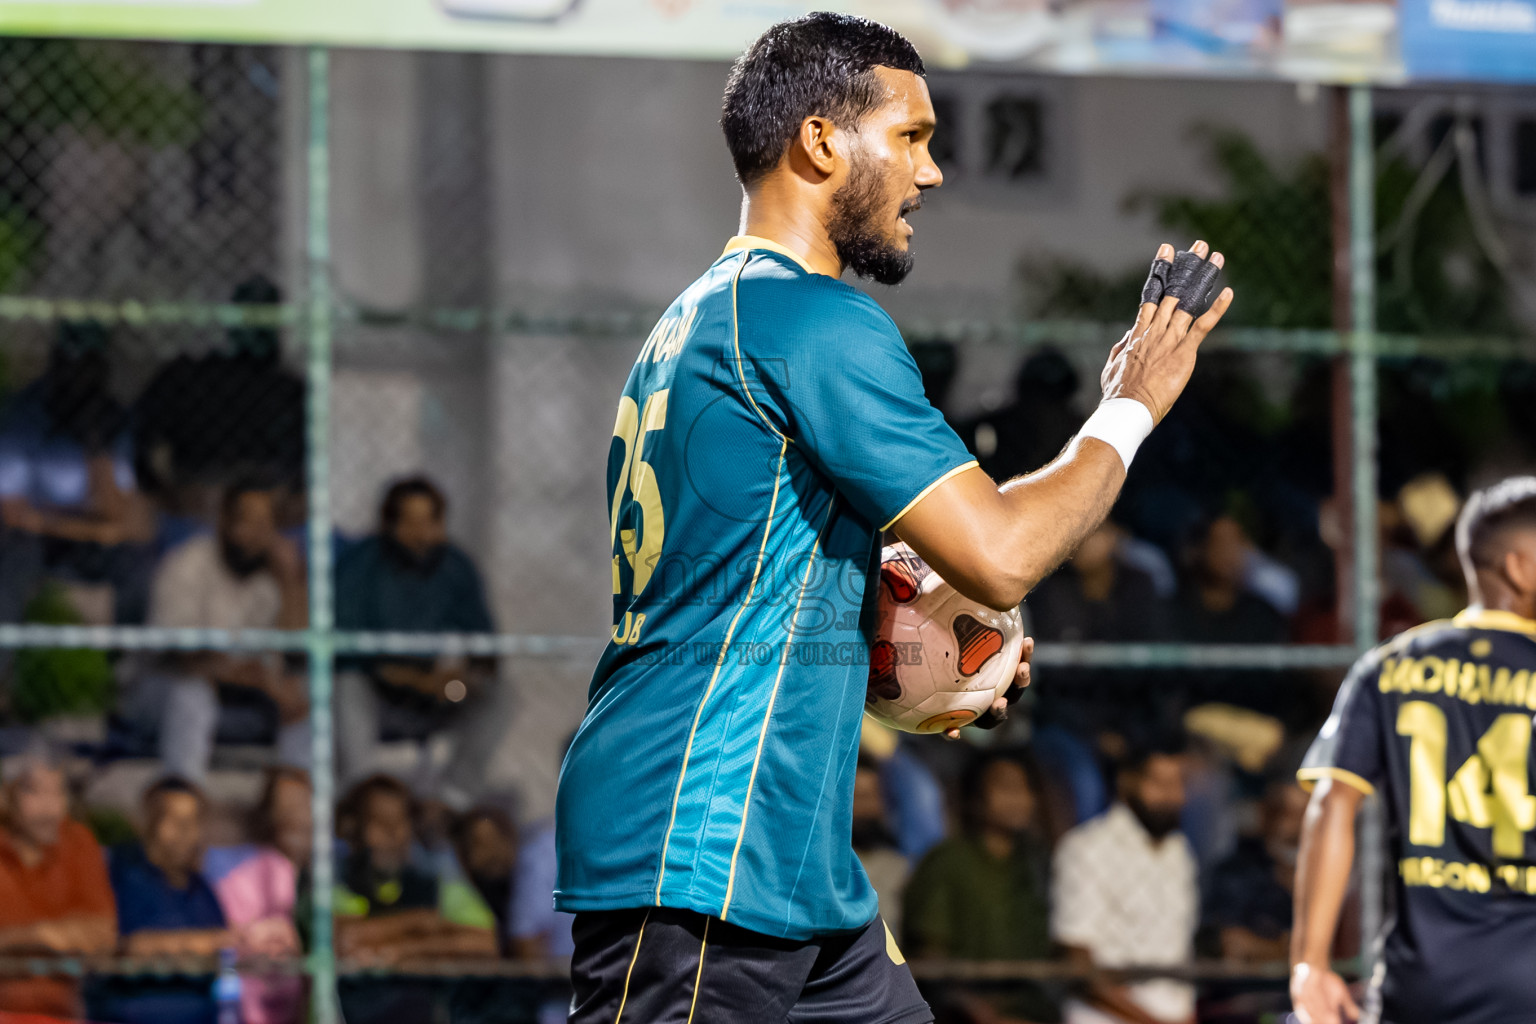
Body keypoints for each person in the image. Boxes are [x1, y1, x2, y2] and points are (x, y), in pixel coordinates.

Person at [554, 13, 1231, 1023]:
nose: (934, 171)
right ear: (822, 142)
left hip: (786, 861)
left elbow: (752, 575)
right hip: (702, 848)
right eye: (911, 136)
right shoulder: (809, 319)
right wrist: (1130, 405)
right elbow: (1001, 554)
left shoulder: (697, 318)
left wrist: (934, 654)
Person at [1289, 476, 1536, 1024]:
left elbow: (1332, 803)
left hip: (1421, 984)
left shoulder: (1390, 665)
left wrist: (1311, 962)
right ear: (1518, 569)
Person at [334, 476, 510, 810]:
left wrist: (460, 680)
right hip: (379, 693)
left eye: (431, 521)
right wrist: (416, 679)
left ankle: (451, 800)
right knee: (346, 685)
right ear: (389, 524)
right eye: (411, 522)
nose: (422, 534)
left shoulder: (456, 565)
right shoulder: (361, 564)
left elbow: (487, 649)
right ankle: (363, 799)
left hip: (438, 693)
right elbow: (347, 652)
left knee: (502, 695)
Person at [126, 478, 309, 781]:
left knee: (311, 694)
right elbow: (180, 658)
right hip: (163, 689)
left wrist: (291, 583)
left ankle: (294, 804)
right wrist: (252, 678)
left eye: (266, 524)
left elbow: (297, 650)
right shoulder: (187, 563)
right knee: (192, 694)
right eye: (246, 522)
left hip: (250, 695)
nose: (255, 534)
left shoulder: (274, 574)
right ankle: (186, 798)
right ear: (224, 521)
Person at [0, 320, 154, 624]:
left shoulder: (113, 421)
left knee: (137, 563)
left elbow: (119, 518)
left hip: (78, 539)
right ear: (55, 363)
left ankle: (127, 663)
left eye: (88, 365)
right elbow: (12, 514)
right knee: (12, 558)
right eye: (70, 364)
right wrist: (91, 525)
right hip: (35, 543)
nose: (78, 376)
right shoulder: (25, 415)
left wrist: (96, 448)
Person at [1052, 738, 1198, 1024]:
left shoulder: (1179, 851)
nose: (1174, 796)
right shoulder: (1086, 848)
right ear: (1127, 782)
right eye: (1160, 783)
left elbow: (1180, 953)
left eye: (1178, 783)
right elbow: (1078, 965)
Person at [904, 754, 1056, 1024]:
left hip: (1034, 1010)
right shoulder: (946, 861)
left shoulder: (1038, 863)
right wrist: (981, 1013)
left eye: (1024, 788)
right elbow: (929, 957)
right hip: (959, 1012)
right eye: (1005, 788)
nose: (1018, 798)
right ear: (975, 798)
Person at [97, 777, 231, 1024]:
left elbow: (224, 946)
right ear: (149, 821)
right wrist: (204, 943)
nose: (185, 832)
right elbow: (128, 946)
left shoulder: (200, 887)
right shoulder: (122, 872)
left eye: (192, 822)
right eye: (174, 820)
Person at [0, 744, 116, 1018]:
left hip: (61, 1011)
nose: (50, 807)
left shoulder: (78, 843)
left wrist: (22, 939)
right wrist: (42, 936)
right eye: (34, 791)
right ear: (6, 796)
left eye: (57, 792)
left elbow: (102, 936)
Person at [206, 767, 309, 1024]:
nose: (291, 817)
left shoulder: (332, 870)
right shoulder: (243, 874)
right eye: (282, 806)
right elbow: (230, 939)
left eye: (302, 805)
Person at [1203, 778, 1306, 964]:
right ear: (1263, 813)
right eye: (1279, 811)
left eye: (1301, 815)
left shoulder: (1333, 876)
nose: (1287, 826)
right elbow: (1229, 944)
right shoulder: (1235, 873)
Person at [451, 804, 518, 950]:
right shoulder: (456, 901)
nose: (493, 853)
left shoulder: (528, 892)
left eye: (498, 841)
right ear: (463, 854)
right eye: (480, 844)